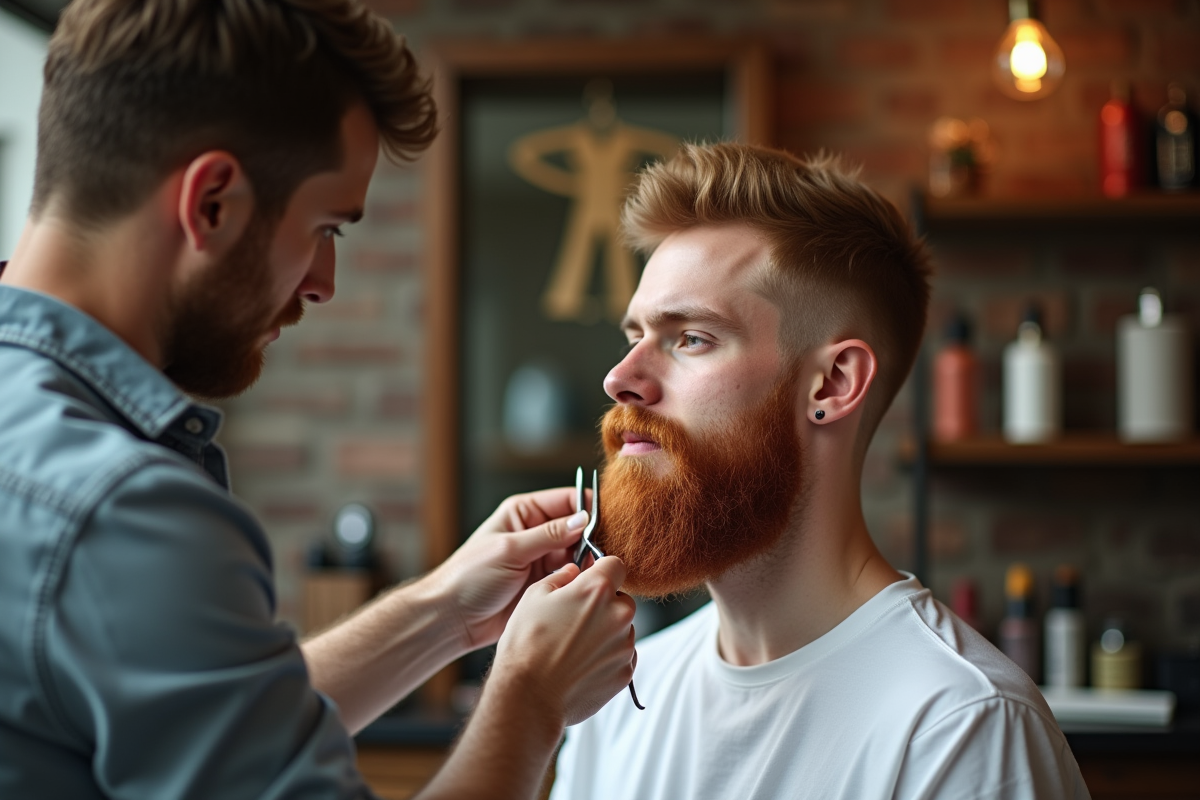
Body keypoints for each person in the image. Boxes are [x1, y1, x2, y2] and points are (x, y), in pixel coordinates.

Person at [0, 1, 636, 798]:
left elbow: (221, 723)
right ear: (212, 203)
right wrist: (532, 699)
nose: (323, 284)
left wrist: (443, 611)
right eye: (327, 228)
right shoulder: (120, 513)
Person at [551, 143, 1090, 800]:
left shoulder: (960, 727)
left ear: (832, 383)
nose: (620, 379)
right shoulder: (616, 700)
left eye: (690, 337)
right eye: (632, 336)